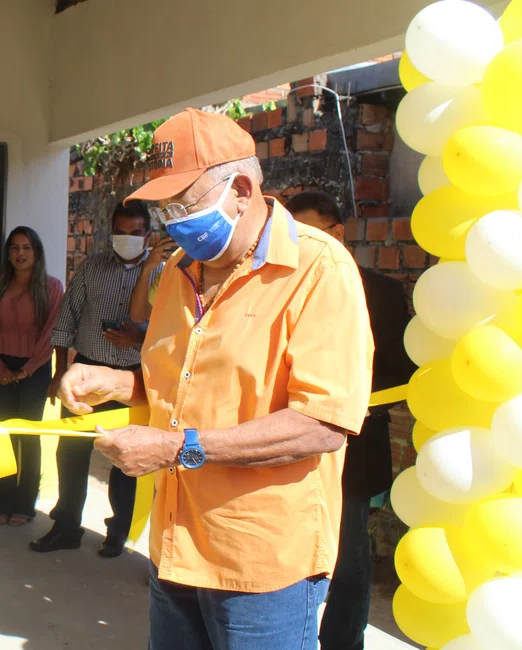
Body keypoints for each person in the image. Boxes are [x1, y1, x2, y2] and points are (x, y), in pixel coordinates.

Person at [58, 108, 373, 649]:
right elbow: (181, 384)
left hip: (260, 567)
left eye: (187, 203)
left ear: (243, 190)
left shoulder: (320, 270)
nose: (175, 220)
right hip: (175, 549)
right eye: (167, 208)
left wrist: (178, 448)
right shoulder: (180, 271)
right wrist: (115, 382)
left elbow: (322, 426)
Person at [286, 191, 416, 650]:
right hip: (284, 444)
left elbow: (402, 368)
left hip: (352, 452)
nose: (296, 242)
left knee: (349, 563)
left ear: (335, 233)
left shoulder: (377, 291)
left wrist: (356, 406)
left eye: (306, 231)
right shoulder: (282, 285)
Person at [30, 200, 149, 558]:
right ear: (110, 232)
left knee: (124, 456)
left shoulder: (165, 272)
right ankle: (66, 526)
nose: (128, 239)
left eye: (136, 233)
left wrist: (137, 338)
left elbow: (175, 329)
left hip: (134, 380)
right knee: (72, 452)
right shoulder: (92, 267)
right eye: (121, 233)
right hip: (86, 371)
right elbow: (66, 318)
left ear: (148, 234)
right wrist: (57, 373)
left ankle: (118, 532)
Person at [0, 227, 63, 526]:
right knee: (1, 437)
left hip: (35, 369)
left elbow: (53, 332)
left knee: (28, 438)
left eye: (26, 247)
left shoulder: (51, 287)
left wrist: (26, 371)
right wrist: (1, 368)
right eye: (14, 248)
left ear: (36, 252)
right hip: (0, 368)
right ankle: (4, 503)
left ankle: (26, 506)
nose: (20, 253)